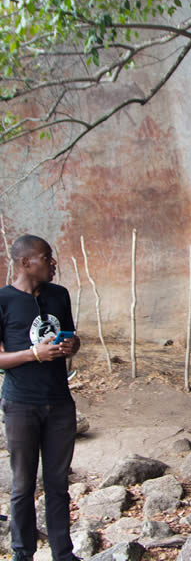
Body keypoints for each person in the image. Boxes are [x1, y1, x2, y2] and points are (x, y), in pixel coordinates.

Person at [0, 235, 81, 561]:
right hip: (21, 404)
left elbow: (72, 337)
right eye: (46, 257)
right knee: (22, 486)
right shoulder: (3, 300)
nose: (53, 263)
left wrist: (71, 346)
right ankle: (23, 553)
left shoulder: (58, 295)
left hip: (60, 402)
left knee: (58, 483)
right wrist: (34, 353)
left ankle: (63, 553)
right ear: (25, 264)